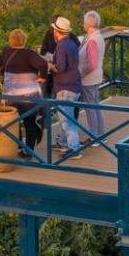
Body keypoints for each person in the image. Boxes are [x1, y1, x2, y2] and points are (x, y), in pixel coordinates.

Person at [0, 29, 49, 152]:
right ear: (24, 40)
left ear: (11, 40)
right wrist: (42, 77)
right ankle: (29, 150)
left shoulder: (5, 52)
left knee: (13, 122)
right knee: (29, 122)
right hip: (28, 97)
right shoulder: (29, 54)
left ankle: (16, 147)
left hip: (11, 96)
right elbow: (43, 64)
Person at [50, 16, 84, 156]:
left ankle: (74, 149)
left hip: (65, 87)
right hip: (74, 84)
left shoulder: (62, 45)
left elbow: (60, 67)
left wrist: (50, 66)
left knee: (67, 120)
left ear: (56, 31)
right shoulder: (71, 43)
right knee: (67, 117)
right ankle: (64, 143)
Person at [79, 10, 106, 137]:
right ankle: (100, 134)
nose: (83, 24)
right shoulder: (97, 37)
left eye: (84, 22)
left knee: (91, 108)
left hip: (89, 78)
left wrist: (81, 73)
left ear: (89, 24)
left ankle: (94, 136)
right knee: (95, 105)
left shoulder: (92, 40)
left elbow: (92, 63)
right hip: (95, 77)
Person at [39, 14, 66, 98]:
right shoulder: (48, 34)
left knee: (57, 95)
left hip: (61, 72)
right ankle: (47, 110)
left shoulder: (69, 37)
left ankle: (53, 109)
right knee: (46, 93)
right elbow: (43, 51)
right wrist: (52, 58)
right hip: (49, 69)